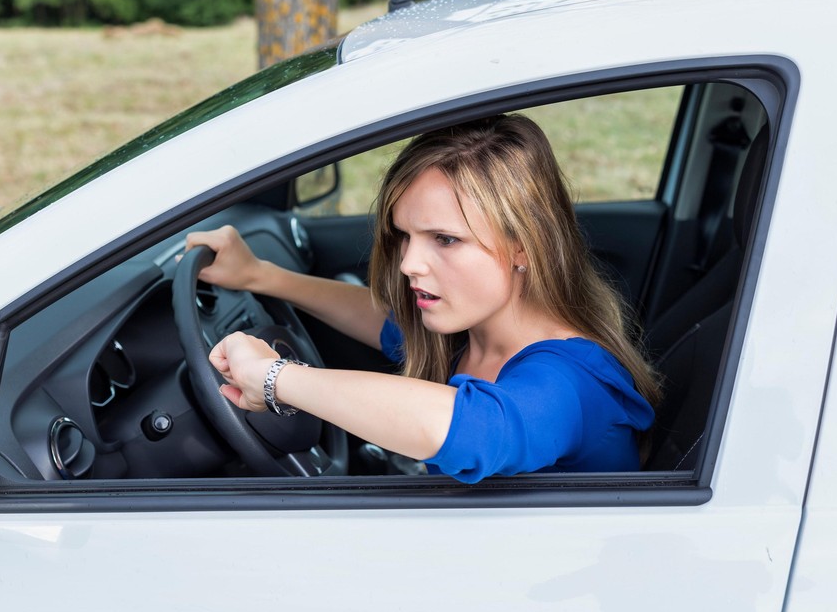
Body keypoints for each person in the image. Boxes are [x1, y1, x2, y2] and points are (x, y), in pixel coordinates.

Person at [186, 114, 659, 483]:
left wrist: (273, 378)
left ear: (524, 247)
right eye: (404, 235)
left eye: (445, 240)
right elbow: (384, 321)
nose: (409, 263)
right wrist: (262, 276)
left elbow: (469, 430)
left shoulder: (569, 381)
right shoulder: (468, 335)